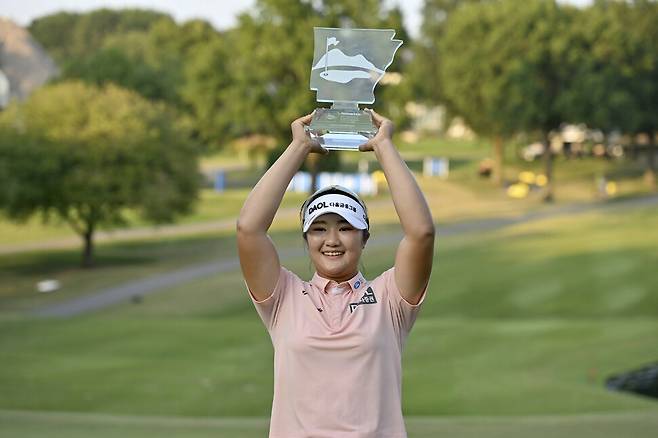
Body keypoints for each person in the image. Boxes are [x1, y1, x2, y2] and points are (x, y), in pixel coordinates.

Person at [236, 110, 435, 438]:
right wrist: (298, 147)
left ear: (364, 238)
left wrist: (384, 146)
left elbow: (421, 233)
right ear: (306, 239)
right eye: (319, 229)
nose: (331, 240)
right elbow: (248, 229)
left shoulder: (390, 298)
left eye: (345, 228)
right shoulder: (283, 296)